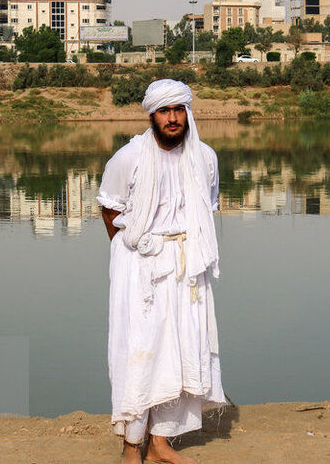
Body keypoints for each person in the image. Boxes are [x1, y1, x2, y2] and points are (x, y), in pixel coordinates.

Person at [97, 79, 226, 464]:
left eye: (179, 110)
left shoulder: (205, 158)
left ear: (188, 112)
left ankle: (160, 443)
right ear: (152, 115)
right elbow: (110, 209)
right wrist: (134, 258)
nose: (173, 118)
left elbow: (205, 209)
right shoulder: (128, 158)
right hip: (140, 266)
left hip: (187, 266)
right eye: (165, 111)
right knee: (140, 350)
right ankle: (131, 446)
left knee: (182, 349)